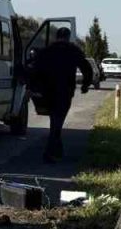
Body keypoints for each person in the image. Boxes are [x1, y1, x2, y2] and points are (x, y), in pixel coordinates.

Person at [30, 27, 93, 163]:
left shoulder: (47, 51)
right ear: (68, 37)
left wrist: (34, 87)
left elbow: (35, 69)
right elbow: (86, 68)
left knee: (55, 121)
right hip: (65, 92)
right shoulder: (73, 51)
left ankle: (56, 149)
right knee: (57, 122)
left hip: (48, 92)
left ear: (56, 36)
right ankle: (51, 152)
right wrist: (85, 85)